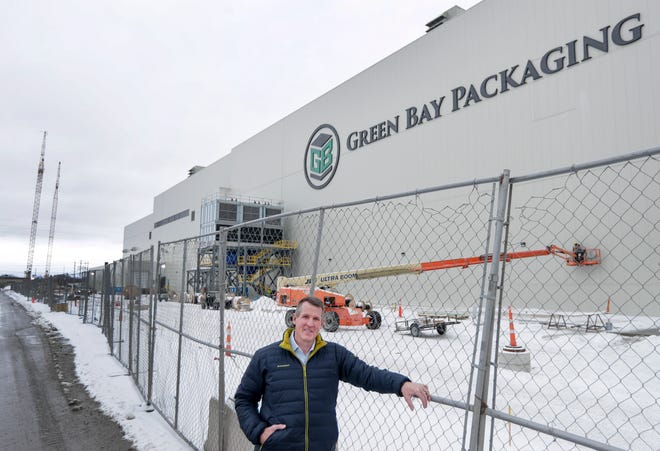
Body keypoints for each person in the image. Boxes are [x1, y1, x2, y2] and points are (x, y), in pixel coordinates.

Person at [234, 296, 431, 451]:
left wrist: (402, 384)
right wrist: (259, 433)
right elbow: (244, 399)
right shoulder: (266, 357)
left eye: (316, 319)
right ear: (294, 319)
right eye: (305, 317)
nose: (310, 324)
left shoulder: (334, 355)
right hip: (277, 447)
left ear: (321, 323)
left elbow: (368, 374)